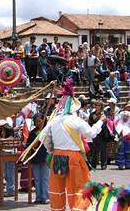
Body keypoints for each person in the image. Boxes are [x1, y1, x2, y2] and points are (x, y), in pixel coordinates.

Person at [38, 79, 106, 211]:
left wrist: (50, 149)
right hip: (74, 158)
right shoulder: (76, 120)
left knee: (57, 189)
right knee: (78, 188)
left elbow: (43, 137)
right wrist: (100, 122)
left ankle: (58, 209)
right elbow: (91, 134)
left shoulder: (54, 120)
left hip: (57, 156)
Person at [26, 114, 49, 204]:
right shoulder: (32, 133)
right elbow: (28, 145)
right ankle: (38, 197)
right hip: (35, 158)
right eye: (36, 121)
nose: (38, 123)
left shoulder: (47, 131)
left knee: (45, 178)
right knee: (37, 179)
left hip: (45, 157)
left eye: (40, 121)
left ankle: (45, 197)